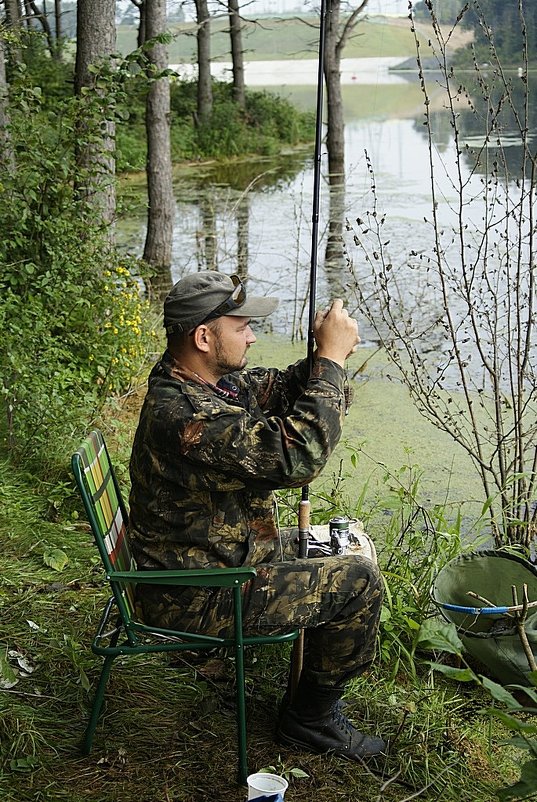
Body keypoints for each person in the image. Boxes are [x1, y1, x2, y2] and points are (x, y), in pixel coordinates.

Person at [128, 270, 386, 761]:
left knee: (348, 540)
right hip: (193, 595)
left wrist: (322, 357)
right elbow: (295, 458)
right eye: (241, 325)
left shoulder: (209, 387)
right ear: (204, 337)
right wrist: (329, 362)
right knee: (358, 581)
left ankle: (309, 701)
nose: (252, 334)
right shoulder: (187, 415)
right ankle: (311, 720)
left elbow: (280, 388)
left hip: (218, 558)